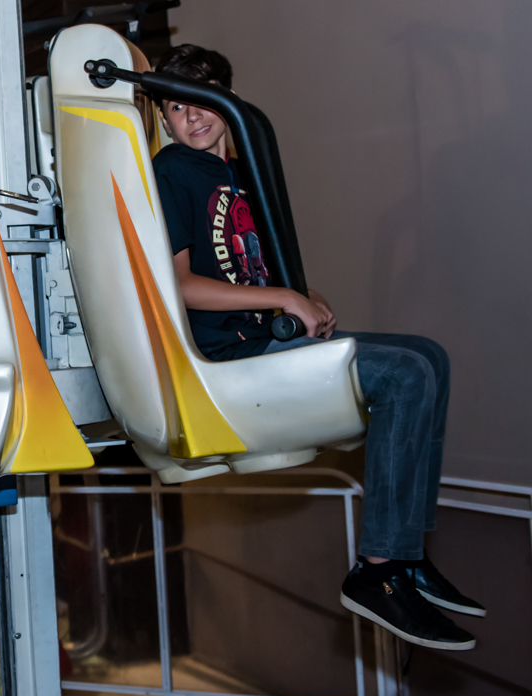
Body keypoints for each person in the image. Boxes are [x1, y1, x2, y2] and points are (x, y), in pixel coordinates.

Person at [151, 44, 484, 650]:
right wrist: (284, 298)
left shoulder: (240, 169)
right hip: (228, 354)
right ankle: (379, 570)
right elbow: (180, 287)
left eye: (200, 102)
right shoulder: (174, 170)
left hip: (263, 332)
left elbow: (249, 268)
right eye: (175, 108)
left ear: (226, 99)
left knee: (429, 356)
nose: (191, 117)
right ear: (164, 120)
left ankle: (406, 555)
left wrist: (303, 295)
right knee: (403, 377)